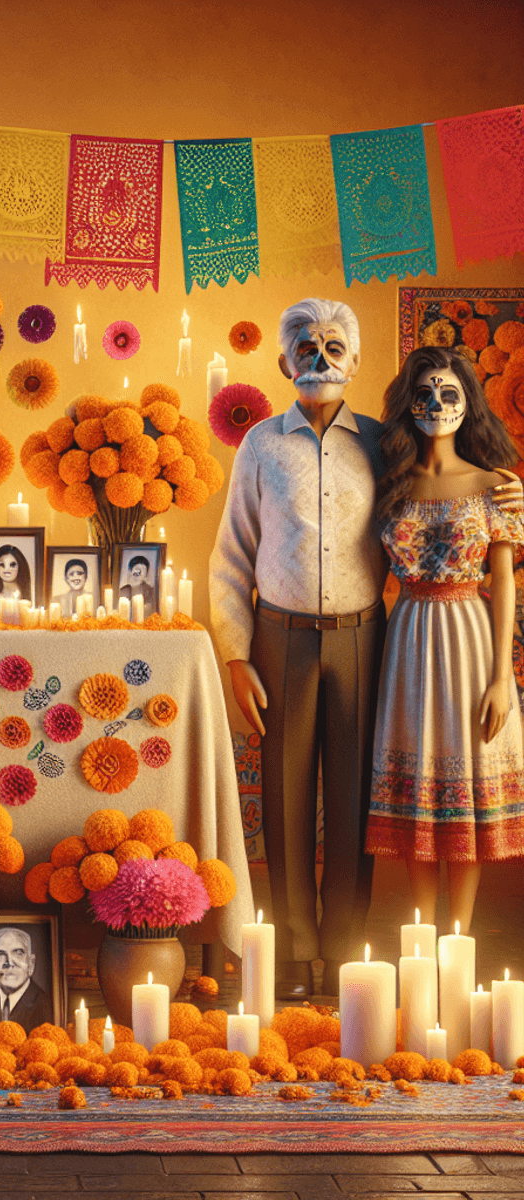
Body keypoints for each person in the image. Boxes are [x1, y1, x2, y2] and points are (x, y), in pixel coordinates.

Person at [210, 298, 522, 999]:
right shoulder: (259, 445)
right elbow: (231, 555)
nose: (319, 362)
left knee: (357, 798)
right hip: (278, 637)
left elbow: (450, 502)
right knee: (287, 800)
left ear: (354, 362)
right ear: (285, 361)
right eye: (306, 350)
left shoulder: (384, 445)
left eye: (334, 350)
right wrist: (236, 653)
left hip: (370, 638)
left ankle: (348, 950)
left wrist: (504, 497)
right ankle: (290, 956)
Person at [365, 348, 524, 934]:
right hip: (406, 639)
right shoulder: (388, 485)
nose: (436, 405)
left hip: (470, 635)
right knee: (418, 792)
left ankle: (458, 936)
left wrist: (501, 675)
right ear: (408, 404)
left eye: (450, 394)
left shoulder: (495, 485)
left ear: (469, 404)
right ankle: (420, 933)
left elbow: (504, 580)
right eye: (425, 394)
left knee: (469, 786)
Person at [0, 927, 50, 1037]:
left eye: (18, 953)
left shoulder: (45, 1004)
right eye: (0, 954)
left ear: (31, 962)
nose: (9, 962)